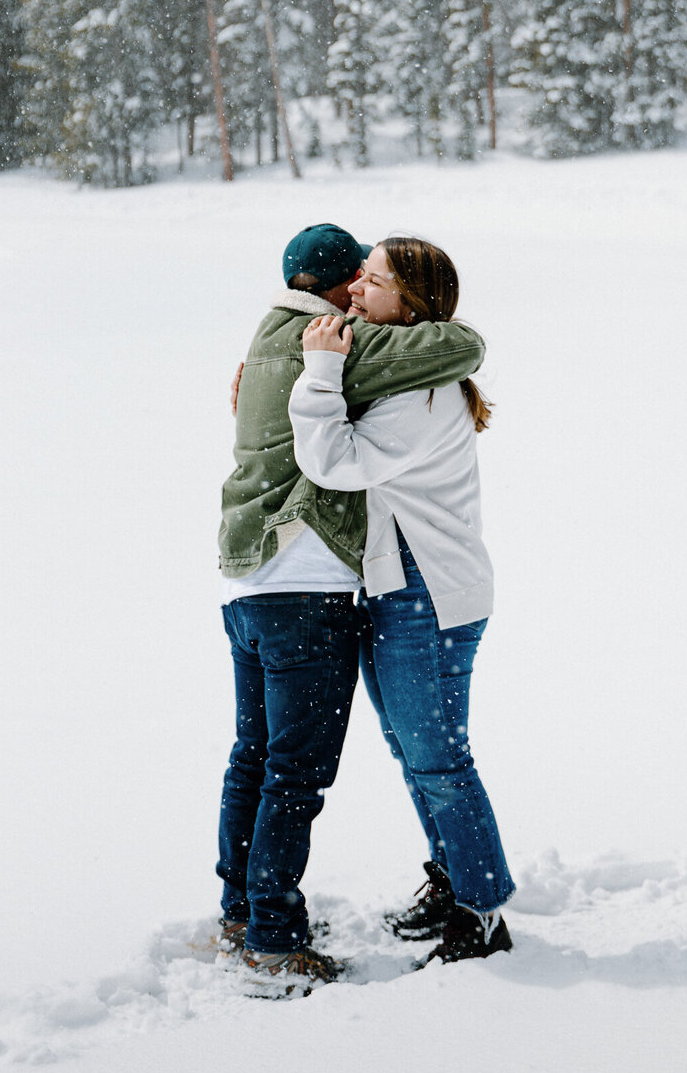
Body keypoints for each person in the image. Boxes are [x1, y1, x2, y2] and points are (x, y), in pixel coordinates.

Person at [218, 223, 486, 994]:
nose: (360, 299)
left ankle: (241, 912)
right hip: (308, 590)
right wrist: (338, 357)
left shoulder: (268, 336)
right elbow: (458, 348)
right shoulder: (330, 343)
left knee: (254, 761)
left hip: (248, 586)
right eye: (359, 281)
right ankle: (273, 940)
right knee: (295, 776)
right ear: (336, 289)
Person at [288, 234, 514, 964]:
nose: (354, 289)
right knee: (418, 754)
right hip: (398, 587)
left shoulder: (420, 393)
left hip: (430, 593)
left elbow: (335, 461)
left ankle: (481, 911)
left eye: (372, 281)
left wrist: (318, 370)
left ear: (409, 306)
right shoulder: (399, 373)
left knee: (440, 760)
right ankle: (452, 878)